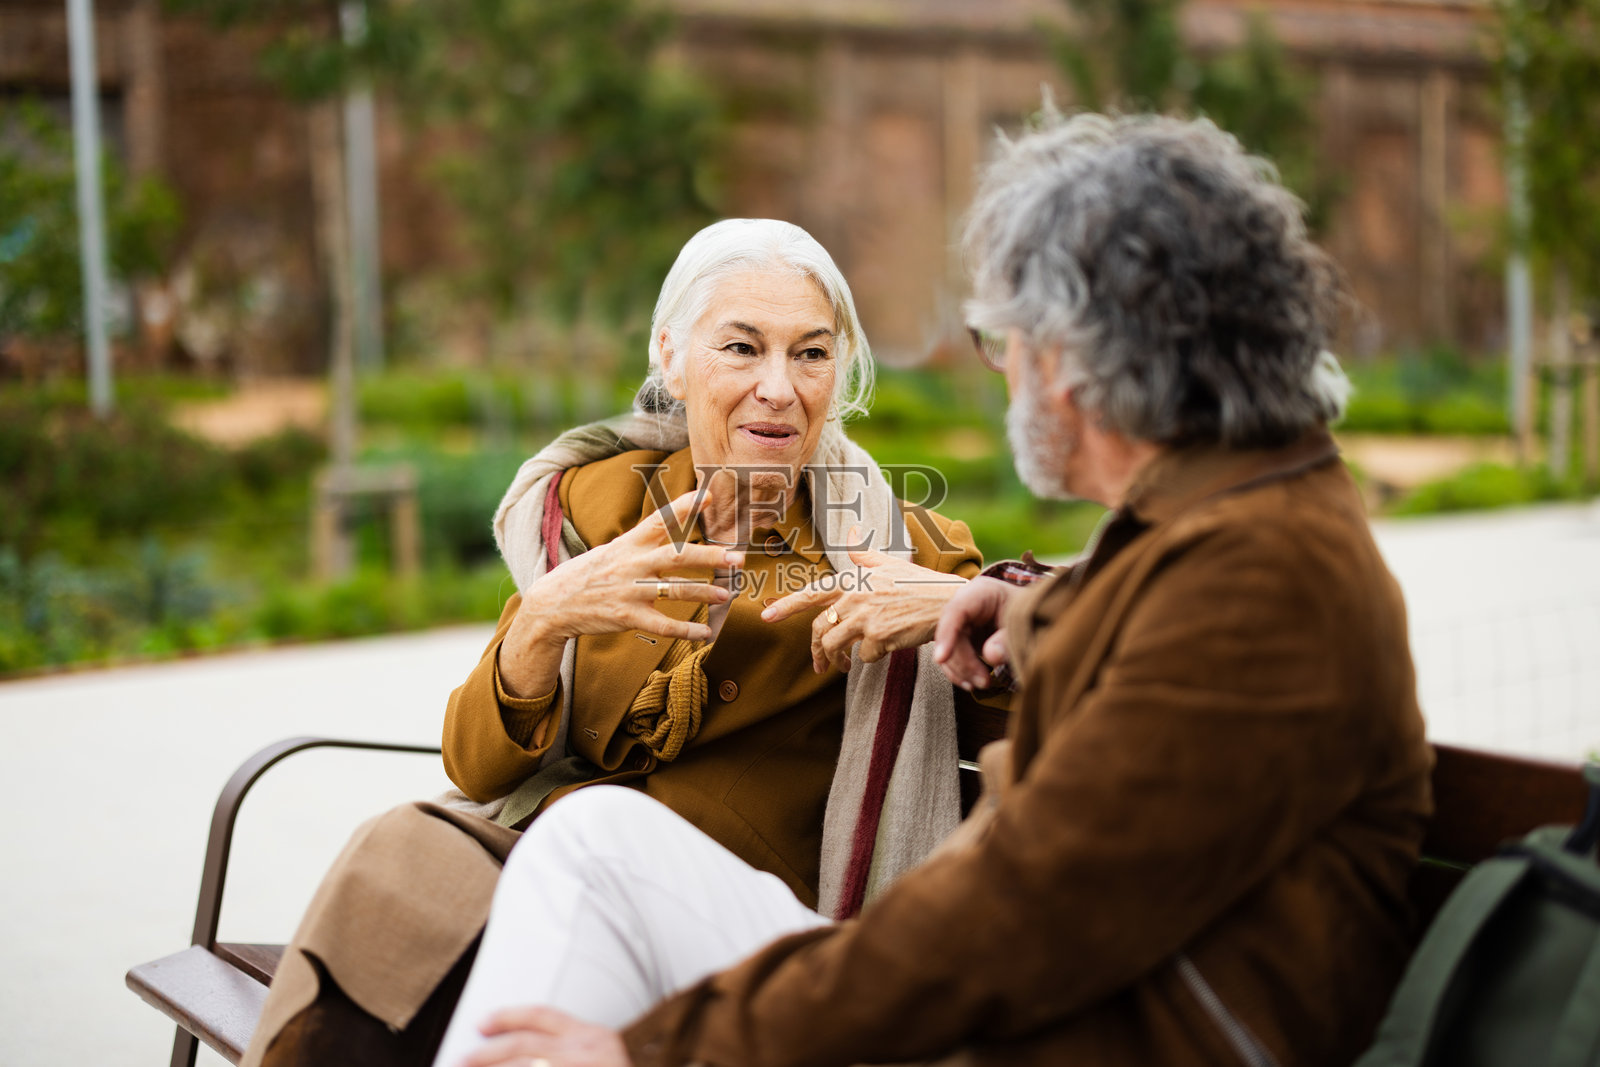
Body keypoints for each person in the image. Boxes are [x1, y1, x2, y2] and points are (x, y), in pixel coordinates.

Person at [427, 112, 1433, 1067]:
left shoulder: (1258, 576)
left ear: (1084, 358)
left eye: (1004, 341)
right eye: (741, 345)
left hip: (1070, 1034)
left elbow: (1011, 910)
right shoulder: (1236, 525)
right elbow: (1152, 649)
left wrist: (660, 1047)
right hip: (1052, 1008)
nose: (1005, 376)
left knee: (591, 851)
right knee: (585, 842)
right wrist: (1021, 608)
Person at [241, 218, 990, 1067]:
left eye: (811, 353)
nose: (779, 387)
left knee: (571, 859)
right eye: (742, 348)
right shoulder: (600, 504)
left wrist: (963, 604)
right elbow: (475, 768)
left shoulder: (909, 552)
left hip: (736, 934)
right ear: (672, 357)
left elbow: (1046, 703)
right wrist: (542, 619)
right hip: (550, 861)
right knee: (400, 848)